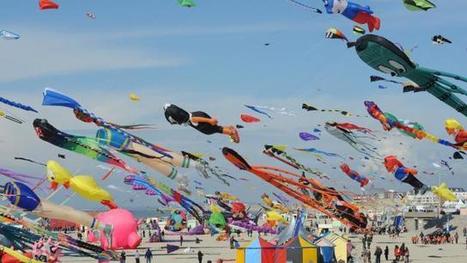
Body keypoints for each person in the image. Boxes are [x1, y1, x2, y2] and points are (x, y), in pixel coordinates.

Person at [163, 104, 240, 143]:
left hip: (198, 121)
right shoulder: (189, 116)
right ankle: (229, 128)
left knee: (215, 129)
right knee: (216, 128)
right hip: (197, 114)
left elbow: (195, 119)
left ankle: (231, 132)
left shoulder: (191, 120)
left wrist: (209, 121)